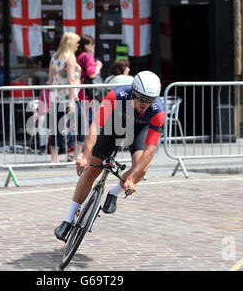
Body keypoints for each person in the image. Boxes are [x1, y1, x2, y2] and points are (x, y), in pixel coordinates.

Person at [54, 71, 165, 241]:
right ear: (133, 92)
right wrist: (85, 156)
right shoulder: (117, 95)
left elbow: (150, 150)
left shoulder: (158, 111)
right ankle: (68, 220)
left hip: (139, 131)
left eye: (149, 100)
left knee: (142, 168)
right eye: (141, 98)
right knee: (92, 169)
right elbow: (95, 126)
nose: (145, 104)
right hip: (115, 125)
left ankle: (113, 193)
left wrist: (132, 178)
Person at [48, 32, 86, 164]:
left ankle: (54, 159)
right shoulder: (70, 58)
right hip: (70, 98)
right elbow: (71, 80)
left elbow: (50, 80)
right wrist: (71, 101)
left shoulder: (54, 58)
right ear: (70, 43)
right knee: (81, 125)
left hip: (57, 98)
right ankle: (78, 155)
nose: (78, 45)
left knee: (56, 129)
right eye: (77, 42)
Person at [76, 34, 103, 101]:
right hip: (89, 92)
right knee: (92, 110)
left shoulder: (79, 57)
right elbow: (92, 74)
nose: (93, 46)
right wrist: (98, 66)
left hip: (81, 89)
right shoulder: (88, 56)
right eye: (92, 43)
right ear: (85, 45)